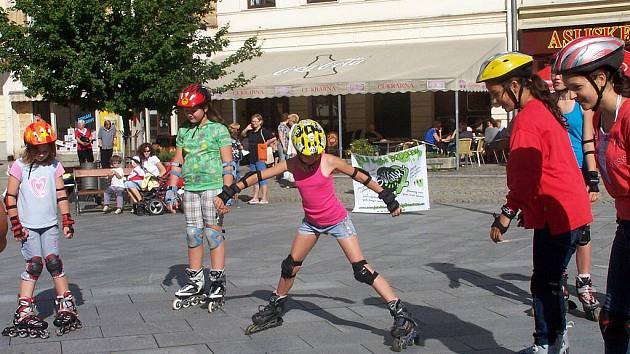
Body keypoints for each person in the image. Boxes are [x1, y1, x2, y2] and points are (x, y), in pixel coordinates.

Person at [215, 119, 420, 351]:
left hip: (338, 222)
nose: (312, 160)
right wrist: (229, 191)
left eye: (315, 154)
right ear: (298, 150)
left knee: (361, 269)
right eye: (306, 155)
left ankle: (401, 313)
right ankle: (276, 306)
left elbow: (359, 175)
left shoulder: (329, 160)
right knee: (289, 266)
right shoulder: (292, 164)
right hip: (311, 224)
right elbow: (259, 176)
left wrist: (387, 197)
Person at [477, 51, 592, 354]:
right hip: (566, 209)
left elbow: (524, 177)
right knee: (549, 280)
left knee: (545, 283)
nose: (496, 101)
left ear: (514, 85)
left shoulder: (527, 120)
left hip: (558, 212)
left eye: (496, 93)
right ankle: (554, 341)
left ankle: (549, 344)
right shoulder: (543, 108)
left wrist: (505, 214)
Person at [554, 35, 630, 354]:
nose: (573, 95)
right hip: (625, 227)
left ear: (601, 78)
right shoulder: (600, 116)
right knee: (613, 321)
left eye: (577, 87)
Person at [1, 122, 79, 339]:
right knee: (34, 264)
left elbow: (61, 194)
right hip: (28, 226)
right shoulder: (18, 166)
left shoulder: (55, 166)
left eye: (46, 150)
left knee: (54, 261)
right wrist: (15, 223)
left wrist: (66, 220)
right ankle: (24, 310)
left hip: (50, 224)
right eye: (38, 150)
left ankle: (66, 303)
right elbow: (11, 196)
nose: (42, 154)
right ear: (29, 148)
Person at [164, 84, 235, 313]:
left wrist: (227, 192)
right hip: (192, 188)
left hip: (213, 188)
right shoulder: (184, 131)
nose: (190, 113)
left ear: (205, 107)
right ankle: (195, 280)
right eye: (186, 110)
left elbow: (228, 164)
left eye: (194, 109)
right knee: (193, 233)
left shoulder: (218, 130)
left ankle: (216, 280)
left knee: (213, 234)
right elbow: (177, 162)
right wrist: (171, 188)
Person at [551, 65, 601, 322]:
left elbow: (588, 140)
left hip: (579, 172)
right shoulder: (548, 105)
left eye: (561, 73)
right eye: (553, 72)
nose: (556, 77)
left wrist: (592, 179)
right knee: (558, 229)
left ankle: (584, 284)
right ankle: (559, 282)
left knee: (583, 229)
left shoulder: (583, 105)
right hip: (556, 174)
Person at [240, 113, 276, 204]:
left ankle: (264, 198)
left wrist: (265, 144)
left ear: (260, 122)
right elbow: (242, 135)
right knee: (254, 178)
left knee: (262, 177)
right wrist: (246, 129)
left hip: (261, 157)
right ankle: (255, 197)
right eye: (252, 121)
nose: (254, 123)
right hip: (252, 157)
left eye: (255, 121)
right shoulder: (251, 131)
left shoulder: (263, 131)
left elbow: (273, 138)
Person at [124, 143, 166, 215]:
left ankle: (140, 203)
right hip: (143, 181)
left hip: (152, 181)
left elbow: (163, 170)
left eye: (148, 151)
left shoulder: (153, 158)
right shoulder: (140, 159)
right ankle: (139, 202)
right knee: (127, 184)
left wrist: (157, 177)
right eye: (145, 151)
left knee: (128, 184)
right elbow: (134, 161)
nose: (146, 153)